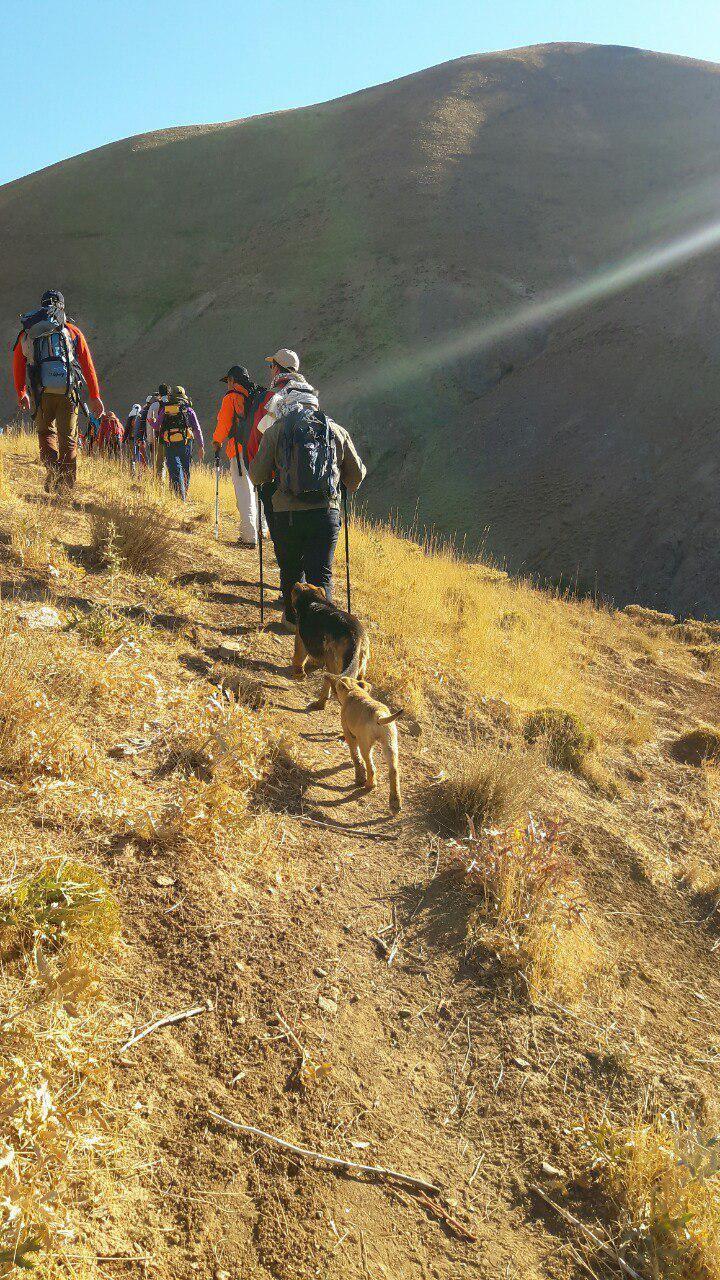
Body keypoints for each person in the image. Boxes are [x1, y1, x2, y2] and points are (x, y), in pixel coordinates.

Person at [249, 349, 366, 630]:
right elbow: (357, 474)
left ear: (288, 402)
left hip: (287, 513)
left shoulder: (277, 430)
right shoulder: (334, 430)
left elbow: (256, 475)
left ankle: (293, 623)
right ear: (314, 403)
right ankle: (322, 631)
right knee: (321, 574)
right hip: (326, 513)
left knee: (291, 571)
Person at [13, 289, 104, 491]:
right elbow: (88, 366)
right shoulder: (72, 331)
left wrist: (22, 393)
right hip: (68, 392)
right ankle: (66, 487)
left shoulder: (27, 333)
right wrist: (95, 396)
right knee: (68, 438)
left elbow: (18, 366)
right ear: (61, 306)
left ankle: (53, 472)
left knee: (46, 433)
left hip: (41, 393)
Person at [213, 365, 268, 547]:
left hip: (238, 450)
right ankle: (263, 531)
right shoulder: (257, 395)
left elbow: (224, 424)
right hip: (258, 451)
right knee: (258, 490)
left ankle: (248, 537)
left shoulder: (231, 397)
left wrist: (216, 441)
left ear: (232, 380)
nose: (227, 385)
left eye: (228, 381)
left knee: (244, 493)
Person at [155, 386, 204, 500]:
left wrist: (152, 422)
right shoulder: (188, 410)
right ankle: (184, 494)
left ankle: (176, 494)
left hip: (169, 443)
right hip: (185, 443)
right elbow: (197, 428)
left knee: (173, 468)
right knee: (185, 468)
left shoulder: (166, 409)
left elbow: (157, 426)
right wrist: (201, 446)